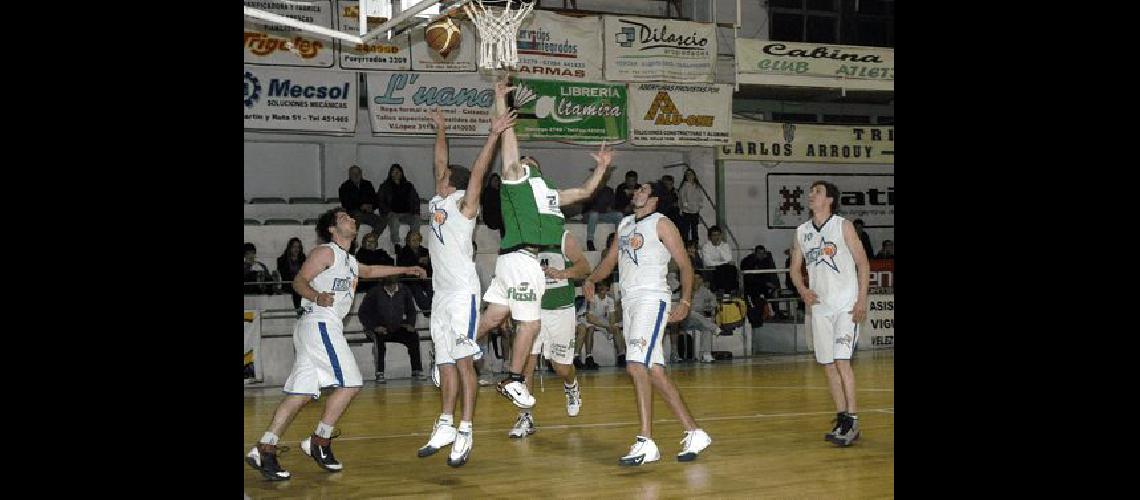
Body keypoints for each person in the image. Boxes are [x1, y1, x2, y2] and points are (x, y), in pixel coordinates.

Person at [245, 208, 426, 481]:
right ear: (332, 228)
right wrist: (317, 296)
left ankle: (265, 447)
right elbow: (298, 281)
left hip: (316, 327)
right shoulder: (325, 252)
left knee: (301, 395)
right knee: (351, 382)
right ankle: (319, 441)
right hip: (320, 322)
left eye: (352, 218)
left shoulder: (349, 260)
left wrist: (407, 269)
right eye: (344, 218)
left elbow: (370, 270)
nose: (352, 220)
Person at [474, 77, 613, 411]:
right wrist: (502, 103)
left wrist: (602, 168)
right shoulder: (516, 181)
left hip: (536, 279)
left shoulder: (549, 195)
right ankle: (515, 387)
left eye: (530, 161)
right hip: (521, 259)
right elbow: (509, 146)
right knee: (528, 336)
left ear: (538, 170)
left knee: (498, 321)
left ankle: (454, 348)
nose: (525, 161)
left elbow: (583, 193)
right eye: (524, 160)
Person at [583, 181, 712, 466]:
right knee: (654, 371)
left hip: (652, 299)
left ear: (654, 199)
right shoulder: (626, 223)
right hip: (628, 301)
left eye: (642, 190)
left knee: (635, 365)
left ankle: (646, 441)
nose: (635, 193)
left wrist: (686, 302)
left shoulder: (662, 224)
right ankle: (695, 432)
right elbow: (610, 261)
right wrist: (592, 278)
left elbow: (685, 266)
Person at [417, 103, 516, 467]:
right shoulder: (439, 200)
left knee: (462, 363)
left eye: (443, 175)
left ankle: (466, 428)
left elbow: (476, 173)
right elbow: (440, 160)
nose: (437, 175)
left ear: (451, 183)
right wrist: (441, 128)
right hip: (442, 295)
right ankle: (444, 422)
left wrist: (492, 135)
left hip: (463, 294)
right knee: (444, 362)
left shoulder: (463, 204)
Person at [789, 180, 871, 448]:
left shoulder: (842, 226)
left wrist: (861, 300)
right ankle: (841, 417)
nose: (811, 195)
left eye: (818, 192)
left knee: (841, 361)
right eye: (811, 192)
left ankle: (853, 420)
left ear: (830, 200)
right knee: (828, 365)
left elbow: (863, 263)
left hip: (845, 306)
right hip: (820, 309)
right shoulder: (802, 231)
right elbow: (794, 268)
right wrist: (802, 289)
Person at [508, 230, 592, 438]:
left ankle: (571, 385)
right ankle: (525, 416)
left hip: (561, 310)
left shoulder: (563, 237)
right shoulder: (522, 239)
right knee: (528, 363)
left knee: (561, 368)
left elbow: (584, 267)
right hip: (533, 308)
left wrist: (563, 273)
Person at [358, 276, 424, 383]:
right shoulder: (374, 292)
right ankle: (379, 373)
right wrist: (374, 327)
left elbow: (411, 310)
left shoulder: (404, 291)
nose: (391, 289)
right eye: (388, 287)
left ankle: (417, 370)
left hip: (397, 326)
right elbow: (362, 313)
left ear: (397, 284)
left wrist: (410, 324)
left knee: (413, 336)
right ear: (383, 285)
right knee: (378, 341)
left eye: (393, 286)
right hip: (378, 328)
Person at [377, 163, 422, 248]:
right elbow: (381, 201)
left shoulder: (408, 186)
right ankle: (396, 244)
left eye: (398, 171)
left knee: (416, 219)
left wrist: (416, 212)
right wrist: (388, 212)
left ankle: (413, 242)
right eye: (394, 172)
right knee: (394, 220)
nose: (396, 173)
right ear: (390, 174)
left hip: (407, 214)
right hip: (392, 214)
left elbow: (416, 200)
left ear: (401, 173)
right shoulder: (385, 186)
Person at [576, 280, 616, 370]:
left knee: (613, 328)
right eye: (600, 286)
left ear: (608, 288)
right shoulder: (592, 297)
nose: (602, 288)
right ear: (597, 287)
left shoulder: (610, 300)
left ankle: (589, 358)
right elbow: (589, 318)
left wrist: (612, 326)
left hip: (596, 320)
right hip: (583, 317)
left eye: (604, 286)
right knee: (589, 327)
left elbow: (612, 318)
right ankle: (580, 357)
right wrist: (607, 326)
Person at [679, 274, 719, 363]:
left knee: (706, 327)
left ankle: (706, 355)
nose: (696, 280)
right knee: (691, 312)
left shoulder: (705, 291)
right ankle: (714, 327)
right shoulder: (685, 290)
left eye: (699, 278)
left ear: (702, 280)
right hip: (685, 319)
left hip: (699, 319)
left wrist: (709, 306)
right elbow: (683, 305)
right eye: (694, 278)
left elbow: (714, 301)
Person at [338, 165, 386, 235]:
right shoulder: (345, 187)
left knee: (382, 221)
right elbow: (346, 204)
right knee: (357, 216)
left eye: (358, 173)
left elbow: (375, 200)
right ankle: (352, 242)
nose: (356, 175)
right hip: (352, 213)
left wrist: (371, 206)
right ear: (350, 175)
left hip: (367, 213)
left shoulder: (368, 184)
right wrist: (360, 206)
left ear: (361, 174)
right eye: (353, 173)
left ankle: (371, 239)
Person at [740, 245, 780, 325]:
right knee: (754, 306)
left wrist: (773, 286)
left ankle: (774, 313)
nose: (761, 255)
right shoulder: (747, 261)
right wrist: (765, 283)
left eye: (763, 253)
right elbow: (749, 279)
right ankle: (756, 320)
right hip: (751, 289)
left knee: (773, 292)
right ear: (755, 253)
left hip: (761, 288)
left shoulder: (765, 262)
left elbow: (769, 276)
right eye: (759, 253)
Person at [397, 230, 433, 312]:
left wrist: (428, 263)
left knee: (431, 285)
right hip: (410, 279)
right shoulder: (403, 252)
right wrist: (418, 261)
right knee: (416, 288)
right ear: (408, 241)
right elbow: (403, 267)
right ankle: (426, 310)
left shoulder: (425, 251)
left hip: (424, 278)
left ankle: (432, 308)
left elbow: (431, 268)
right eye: (413, 240)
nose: (416, 242)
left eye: (417, 239)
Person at [585, 178, 623, 251]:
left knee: (619, 215)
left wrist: (609, 208)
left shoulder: (609, 191)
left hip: (602, 214)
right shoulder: (590, 190)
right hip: (589, 215)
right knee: (594, 214)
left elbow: (611, 206)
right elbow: (587, 207)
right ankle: (589, 241)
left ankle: (618, 239)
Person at [700, 226, 738, 294]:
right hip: (711, 270)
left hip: (723, 268)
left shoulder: (725, 245)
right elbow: (708, 262)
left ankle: (728, 292)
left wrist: (719, 247)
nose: (717, 237)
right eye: (714, 235)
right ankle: (722, 291)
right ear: (710, 237)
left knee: (732, 268)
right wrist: (723, 263)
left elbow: (728, 259)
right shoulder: (706, 247)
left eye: (718, 235)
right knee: (722, 269)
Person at [277, 238, 306, 310]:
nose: (296, 249)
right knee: (297, 288)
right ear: (289, 248)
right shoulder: (282, 260)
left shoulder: (303, 259)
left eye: (298, 247)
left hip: (301, 284)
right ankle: (299, 309)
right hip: (288, 284)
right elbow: (284, 275)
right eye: (294, 247)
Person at [677, 167, 703, 243]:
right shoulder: (684, 187)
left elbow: (700, 197)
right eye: (688, 175)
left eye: (691, 174)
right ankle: (686, 246)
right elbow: (682, 198)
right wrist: (686, 207)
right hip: (687, 212)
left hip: (695, 211)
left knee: (695, 230)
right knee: (686, 230)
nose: (690, 176)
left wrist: (699, 205)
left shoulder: (697, 186)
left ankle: (695, 245)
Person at [480, 173, 505, 238]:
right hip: (490, 220)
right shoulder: (487, 192)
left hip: (500, 220)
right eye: (494, 180)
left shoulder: (501, 192)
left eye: (497, 180)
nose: (495, 182)